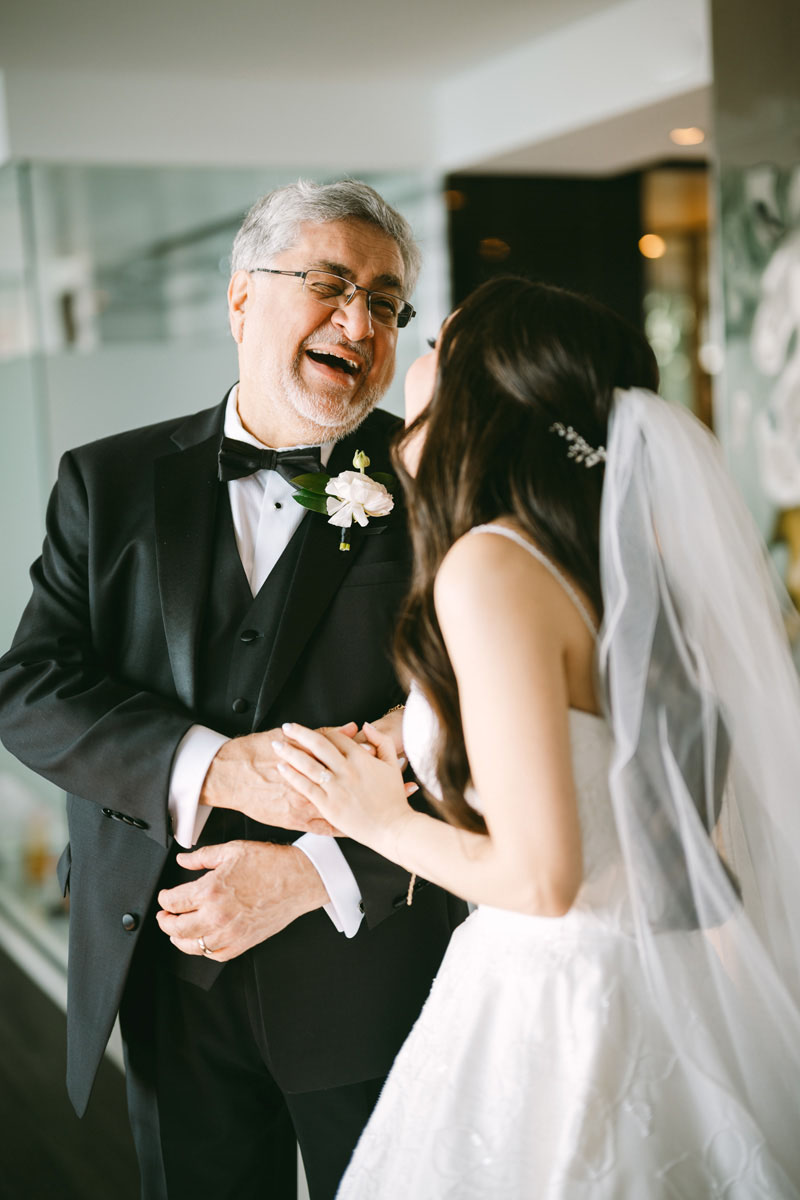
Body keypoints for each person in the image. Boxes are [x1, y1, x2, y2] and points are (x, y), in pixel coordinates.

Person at [275, 277, 800, 1197]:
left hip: (561, 999)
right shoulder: (612, 568)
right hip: (658, 983)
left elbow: (541, 880)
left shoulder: (492, 564)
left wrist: (373, 816)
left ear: (485, 386)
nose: (416, 357)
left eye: (438, 340)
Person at [0, 179, 466, 1200]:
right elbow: (31, 688)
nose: (362, 321)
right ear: (241, 299)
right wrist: (215, 767)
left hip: (376, 965)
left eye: (387, 302)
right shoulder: (106, 481)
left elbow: (481, 734)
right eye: (331, 284)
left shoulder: (437, 478)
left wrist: (314, 875)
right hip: (164, 972)